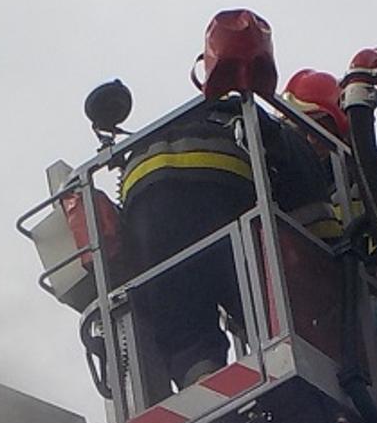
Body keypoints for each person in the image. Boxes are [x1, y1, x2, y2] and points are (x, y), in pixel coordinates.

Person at [120, 83, 331, 394]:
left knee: (180, 306)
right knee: (261, 290)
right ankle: (274, 351)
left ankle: (204, 382)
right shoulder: (293, 142)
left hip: (142, 193)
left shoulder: (218, 117)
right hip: (216, 182)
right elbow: (320, 240)